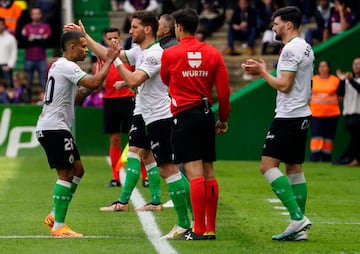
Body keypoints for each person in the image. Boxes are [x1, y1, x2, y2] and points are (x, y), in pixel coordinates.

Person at [64, 10, 193, 238]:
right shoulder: (140, 52)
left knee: (168, 169)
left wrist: (113, 61)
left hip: (161, 117)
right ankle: (188, 216)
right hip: (148, 115)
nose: (130, 31)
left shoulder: (154, 54)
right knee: (154, 162)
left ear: (147, 29)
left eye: (134, 27)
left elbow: (133, 79)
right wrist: (86, 37)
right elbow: (109, 53)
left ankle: (185, 222)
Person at [35, 30, 119, 237]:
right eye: (83, 46)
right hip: (54, 128)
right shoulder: (67, 66)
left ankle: (56, 214)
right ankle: (59, 227)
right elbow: (93, 82)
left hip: (55, 127)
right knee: (66, 175)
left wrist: (97, 77)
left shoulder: (59, 66)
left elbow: (78, 97)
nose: (85, 50)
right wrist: (109, 61)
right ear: (71, 47)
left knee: (78, 170)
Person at [241, 6, 313, 241]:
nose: (273, 26)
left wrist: (262, 72)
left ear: (288, 25)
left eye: (276, 23)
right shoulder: (304, 46)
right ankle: (298, 228)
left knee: (267, 165)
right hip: (301, 114)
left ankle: (297, 217)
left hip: (288, 116)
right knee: (293, 167)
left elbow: (284, 85)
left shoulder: (291, 49)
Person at [160, 8, 230, 240]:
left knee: (194, 173)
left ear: (178, 27)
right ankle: (210, 228)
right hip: (206, 113)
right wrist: (223, 119)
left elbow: (165, 80)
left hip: (184, 115)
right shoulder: (213, 53)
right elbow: (224, 91)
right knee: (209, 171)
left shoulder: (170, 54)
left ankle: (198, 229)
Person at [97, 27, 136, 188]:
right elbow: (99, 80)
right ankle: (116, 177)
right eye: (109, 39)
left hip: (128, 99)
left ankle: (145, 176)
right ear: (104, 41)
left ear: (120, 39)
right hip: (110, 100)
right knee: (114, 139)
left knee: (135, 140)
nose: (113, 41)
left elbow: (135, 78)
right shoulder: (102, 58)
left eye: (115, 38)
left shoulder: (129, 56)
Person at [309, 60, 341, 162]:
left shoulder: (335, 80)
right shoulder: (313, 80)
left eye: (324, 66)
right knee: (316, 136)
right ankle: (314, 157)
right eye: (320, 67)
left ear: (328, 68)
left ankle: (326, 158)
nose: (322, 69)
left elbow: (340, 97)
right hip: (315, 113)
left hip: (331, 113)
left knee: (328, 137)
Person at [335, 57, 360, 167]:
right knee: (355, 138)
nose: (356, 66)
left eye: (358, 64)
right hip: (349, 113)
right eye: (354, 64)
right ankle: (352, 158)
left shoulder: (351, 80)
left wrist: (350, 80)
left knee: (356, 138)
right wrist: (341, 80)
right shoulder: (347, 80)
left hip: (359, 114)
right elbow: (340, 94)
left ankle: (351, 159)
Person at [21, 7, 51, 90]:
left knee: (43, 82)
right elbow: (25, 42)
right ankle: (26, 100)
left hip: (41, 58)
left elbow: (46, 42)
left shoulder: (46, 27)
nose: (36, 15)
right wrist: (40, 39)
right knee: (27, 81)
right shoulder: (27, 27)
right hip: (29, 58)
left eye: (38, 13)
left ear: (41, 15)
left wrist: (32, 40)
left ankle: (45, 99)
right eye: (34, 14)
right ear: (31, 16)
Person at [0, 17, 17, 88]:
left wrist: (10, 66)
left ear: (4, 25)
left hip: (6, 67)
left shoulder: (10, 38)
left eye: (1, 24)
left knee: (8, 87)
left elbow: (14, 53)